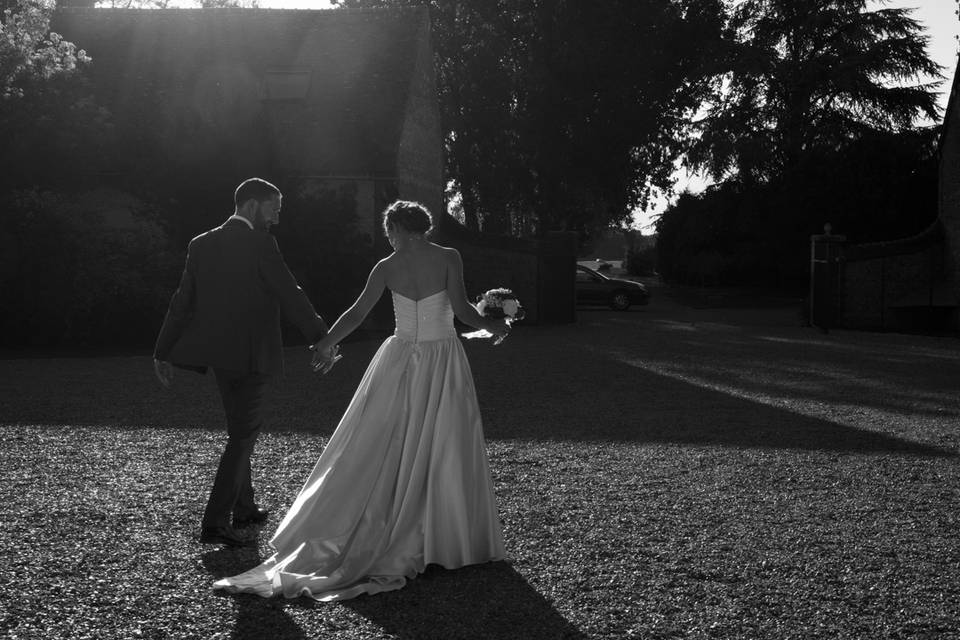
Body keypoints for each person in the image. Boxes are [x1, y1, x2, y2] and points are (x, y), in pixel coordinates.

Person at [213, 200, 508, 601]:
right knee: (444, 439)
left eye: (388, 230)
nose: (388, 236)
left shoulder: (385, 267)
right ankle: (445, 536)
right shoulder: (448, 256)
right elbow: (461, 311)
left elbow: (355, 313)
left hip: (401, 357)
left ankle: (390, 523)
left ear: (397, 228)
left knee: (387, 439)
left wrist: (325, 345)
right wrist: (494, 323)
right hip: (442, 358)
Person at [153, 178, 337, 548]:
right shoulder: (260, 243)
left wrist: (162, 350)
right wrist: (322, 337)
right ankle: (215, 522)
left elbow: (181, 301)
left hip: (221, 357)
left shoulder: (200, 244)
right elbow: (289, 292)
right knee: (242, 436)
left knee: (240, 428)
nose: (279, 216)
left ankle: (245, 508)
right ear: (253, 205)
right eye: (275, 207)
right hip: (254, 355)